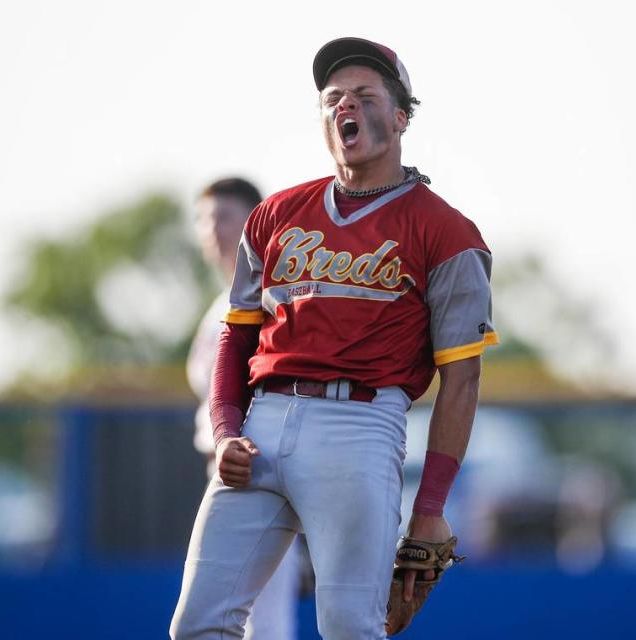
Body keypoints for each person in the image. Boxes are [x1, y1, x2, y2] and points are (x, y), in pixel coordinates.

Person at [171, 37, 499, 639]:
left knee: (349, 626)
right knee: (197, 624)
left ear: (401, 116)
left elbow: (463, 379)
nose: (346, 105)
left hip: (360, 427)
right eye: (334, 97)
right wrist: (225, 431)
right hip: (262, 427)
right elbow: (235, 341)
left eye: (366, 95)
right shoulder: (274, 216)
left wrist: (429, 509)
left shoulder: (448, 232)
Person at [185, 177, 306, 640]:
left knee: (260, 619)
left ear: (254, 224)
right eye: (203, 219)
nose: (212, 231)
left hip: (256, 471)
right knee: (238, 615)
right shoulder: (222, 302)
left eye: (224, 217)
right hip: (229, 470)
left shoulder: (270, 297)